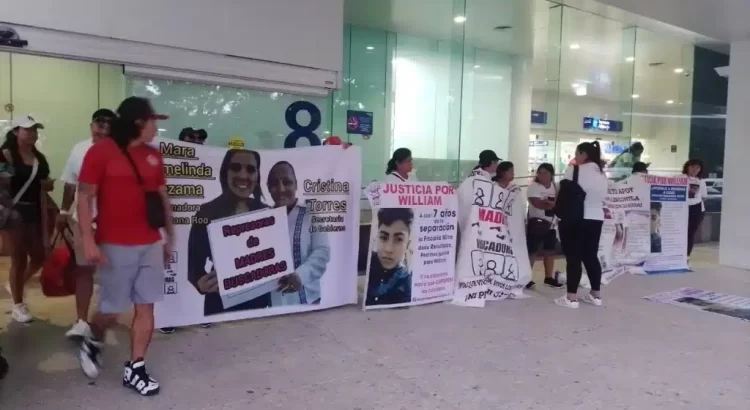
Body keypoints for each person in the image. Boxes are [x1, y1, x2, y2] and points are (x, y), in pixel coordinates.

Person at [77, 97, 171, 396]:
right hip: (115, 244)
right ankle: (92, 338)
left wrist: (170, 236)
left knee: (146, 305)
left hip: (150, 243)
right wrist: (89, 240)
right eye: (153, 121)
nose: (157, 128)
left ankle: (136, 367)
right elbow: (84, 198)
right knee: (112, 310)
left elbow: (162, 197)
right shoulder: (100, 153)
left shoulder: (154, 156)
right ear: (139, 123)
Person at [187, 149, 270, 316]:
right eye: (236, 167)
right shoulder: (206, 212)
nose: (243, 175)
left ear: (257, 176)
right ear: (225, 173)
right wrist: (200, 283)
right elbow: (194, 266)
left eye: (251, 169)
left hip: (261, 304)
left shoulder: (267, 212)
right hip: (219, 304)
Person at [58, 108, 116, 337]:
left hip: (111, 223)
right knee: (83, 271)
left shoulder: (120, 151)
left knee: (112, 273)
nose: (103, 127)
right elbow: (70, 183)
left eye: (108, 123)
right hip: (82, 223)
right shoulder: (79, 149)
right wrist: (63, 211)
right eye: (99, 122)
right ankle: (81, 321)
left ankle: (102, 320)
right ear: (91, 125)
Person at [1, 115, 53, 323]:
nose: (32, 133)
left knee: (40, 255)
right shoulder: (5, 155)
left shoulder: (40, 159)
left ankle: (16, 284)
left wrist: (47, 188)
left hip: (33, 212)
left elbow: (42, 189)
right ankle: (17, 305)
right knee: (19, 258)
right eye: (27, 129)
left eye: (34, 130)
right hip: (12, 213)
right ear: (15, 132)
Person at [266, 161, 330, 306]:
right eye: (275, 184)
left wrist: (300, 276)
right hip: (273, 304)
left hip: (308, 300)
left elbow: (322, 251)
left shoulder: (311, 213)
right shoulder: (262, 219)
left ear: (296, 185)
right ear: (268, 188)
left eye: (287, 182)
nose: (281, 189)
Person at [556, 141, 608, 309]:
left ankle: (571, 298)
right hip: (596, 218)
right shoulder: (602, 174)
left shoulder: (574, 170)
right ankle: (596, 295)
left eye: (577, 153)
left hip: (576, 218)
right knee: (590, 256)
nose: (575, 157)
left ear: (584, 154)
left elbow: (561, 193)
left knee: (573, 257)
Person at [525, 163, 563, 289]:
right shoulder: (533, 187)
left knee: (550, 251)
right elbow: (537, 203)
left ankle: (548, 277)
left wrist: (550, 204)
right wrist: (553, 205)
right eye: (540, 172)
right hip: (536, 223)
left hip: (551, 224)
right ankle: (526, 277)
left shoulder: (555, 187)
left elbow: (557, 202)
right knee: (532, 251)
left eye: (545, 172)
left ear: (551, 174)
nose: (542, 175)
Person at [365, 208, 413, 306]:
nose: (388, 249)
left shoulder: (407, 285)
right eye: (383, 238)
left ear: (407, 245)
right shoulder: (365, 263)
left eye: (399, 239)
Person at [683, 158, 707, 257]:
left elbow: (704, 197)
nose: (695, 170)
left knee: (690, 233)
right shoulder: (679, 178)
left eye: (697, 168)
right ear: (687, 166)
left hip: (696, 209)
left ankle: (687, 256)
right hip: (680, 208)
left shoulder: (701, 181)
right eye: (692, 167)